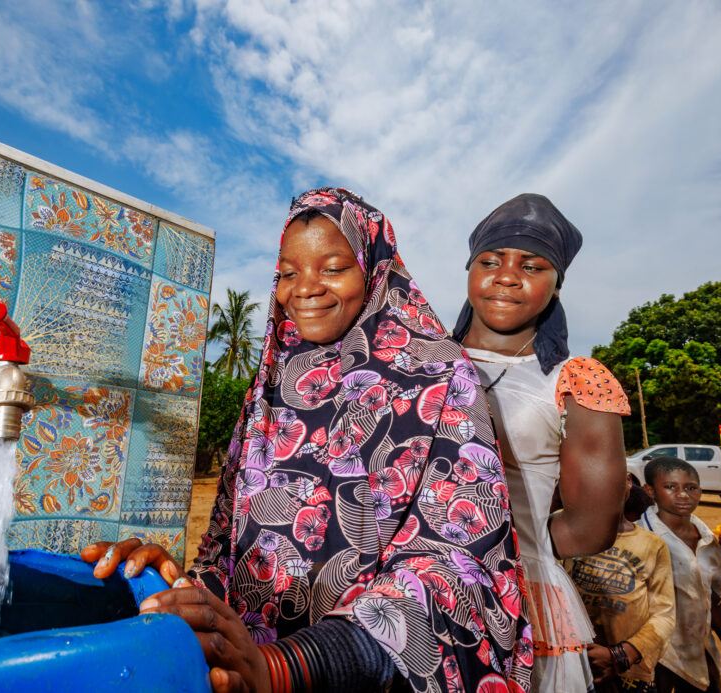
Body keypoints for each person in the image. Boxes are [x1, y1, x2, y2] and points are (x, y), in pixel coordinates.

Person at [83, 188, 532, 692]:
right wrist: (169, 590)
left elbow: (458, 569)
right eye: (289, 273)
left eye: (334, 267)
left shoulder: (439, 375)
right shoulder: (272, 388)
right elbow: (227, 549)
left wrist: (286, 667)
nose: (305, 289)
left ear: (374, 269)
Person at [451, 193, 630, 692]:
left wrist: (507, 548)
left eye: (531, 265)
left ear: (556, 285)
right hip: (413, 591)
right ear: (470, 272)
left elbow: (592, 527)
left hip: (520, 596)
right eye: (490, 261)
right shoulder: (419, 364)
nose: (507, 276)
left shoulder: (576, 382)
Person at [638, 456, 721, 692]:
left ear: (700, 491)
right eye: (670, 487)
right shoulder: (642, 536)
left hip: (699, 644)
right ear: (650, 491)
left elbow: (709, 598)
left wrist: (720, 553)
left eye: (691, 488)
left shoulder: (705, 536)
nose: (683, 495)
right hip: (655, 650)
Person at [569, 473, 676, 693]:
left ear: (629, 482)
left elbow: (664, 614)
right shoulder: (564, 530)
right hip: (571, 663)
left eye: (622, 476)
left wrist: (618, 655)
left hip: (630, 670)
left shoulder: (652, 544)